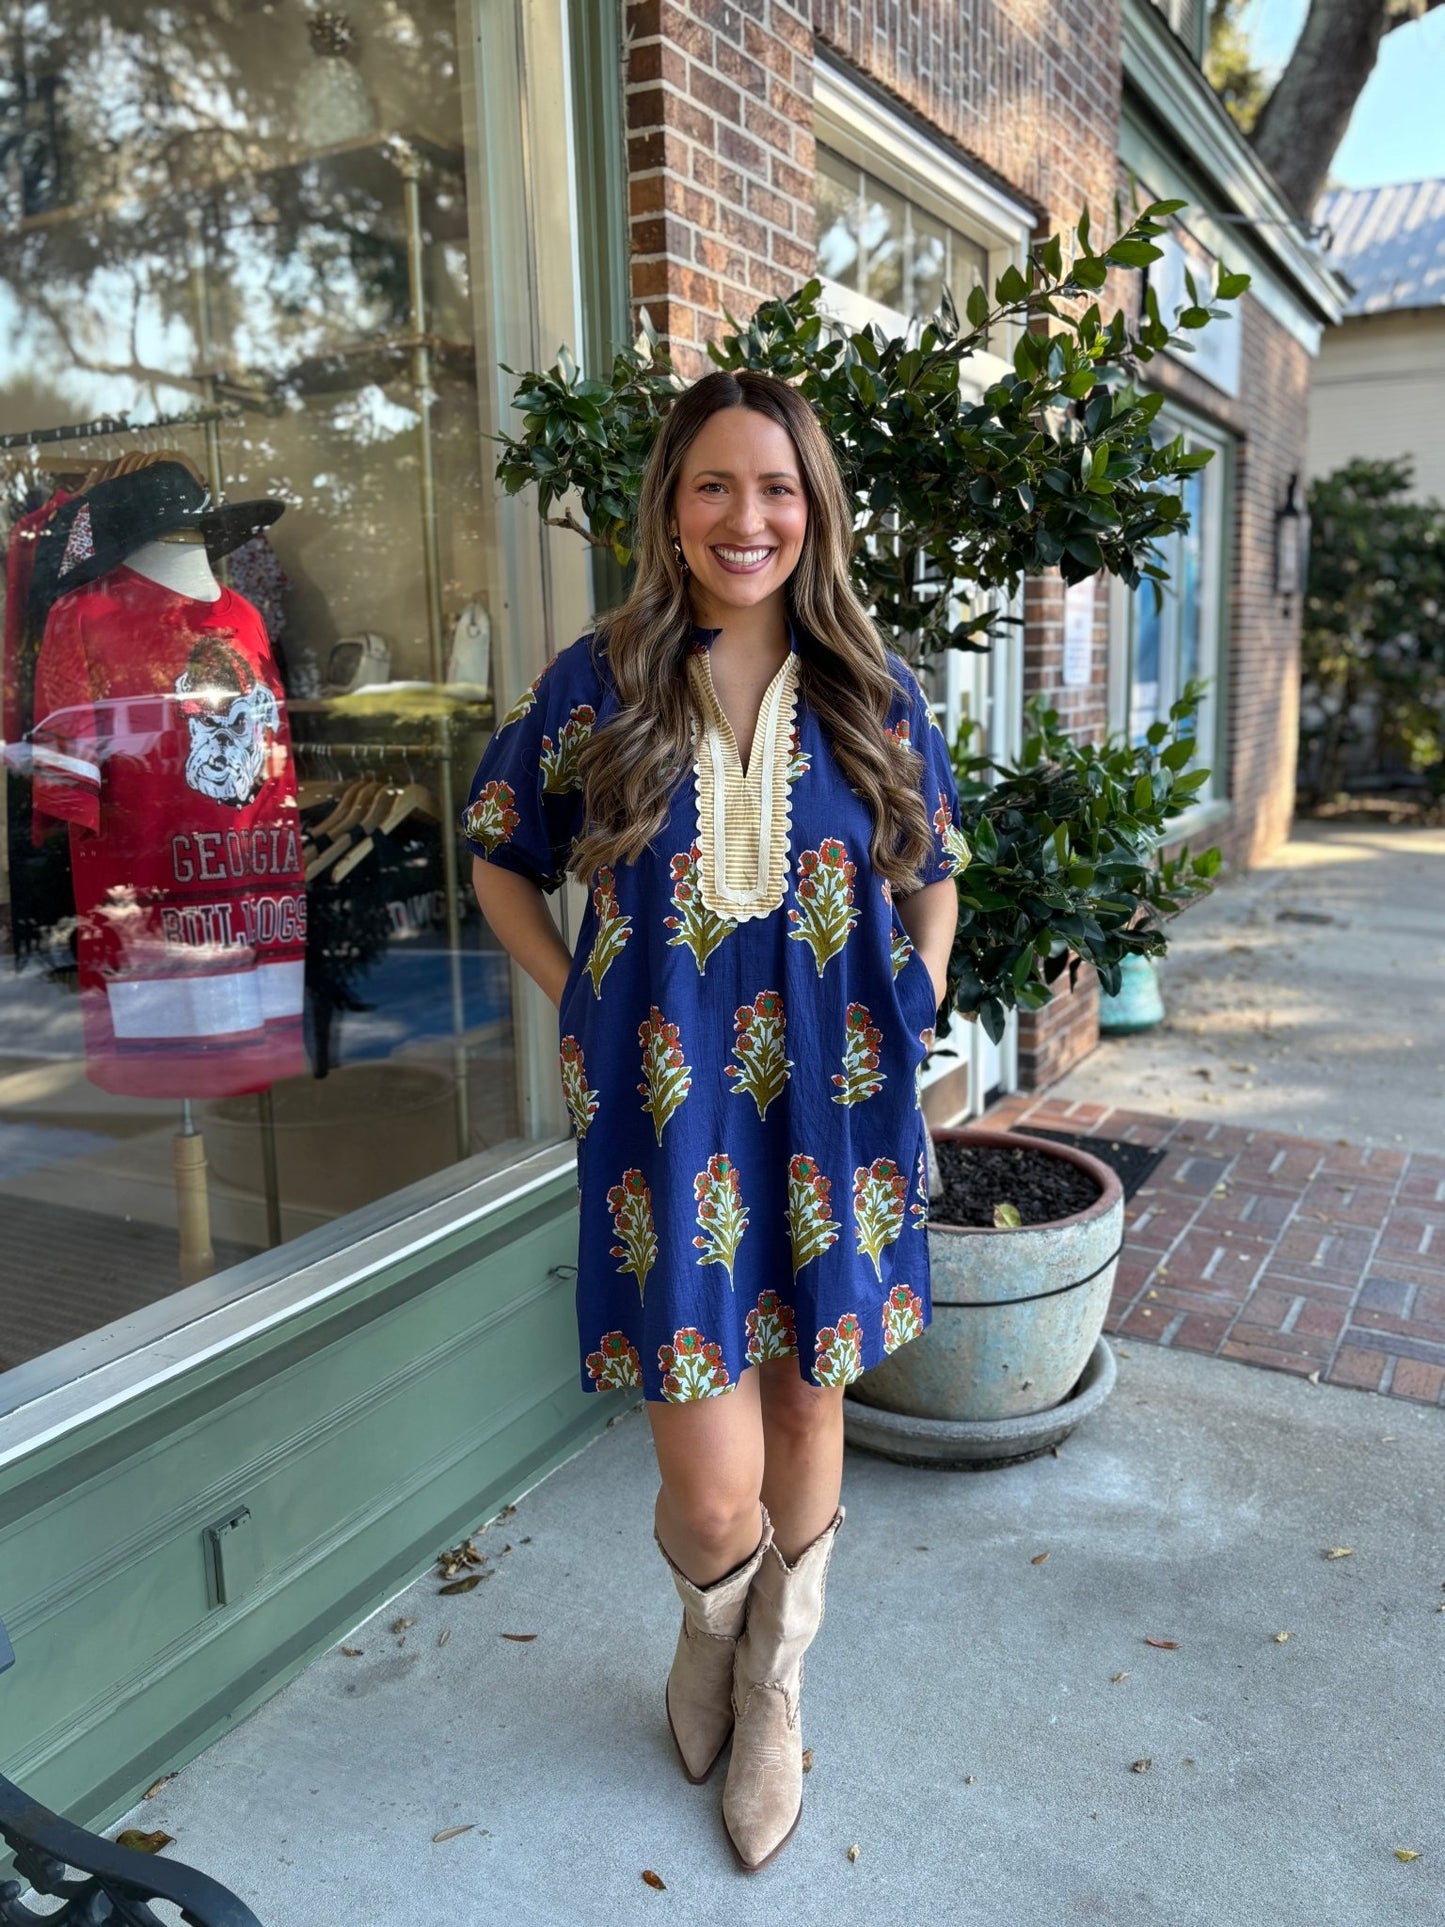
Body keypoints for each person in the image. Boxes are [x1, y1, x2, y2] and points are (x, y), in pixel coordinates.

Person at [464, 369, 964, 1872]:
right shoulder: (595, 681)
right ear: (671, 510)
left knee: (812, 1403)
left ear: (812, 517)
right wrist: (580, 1003)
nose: (746, 519)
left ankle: (775, 1693)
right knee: (711, 1477)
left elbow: (930, 864)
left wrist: (916, 999)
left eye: (778, 491)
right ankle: (707, 1636)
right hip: (666, 1123)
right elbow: (501, 853)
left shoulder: (875, 691)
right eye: (714, 487)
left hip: (834, 1113)